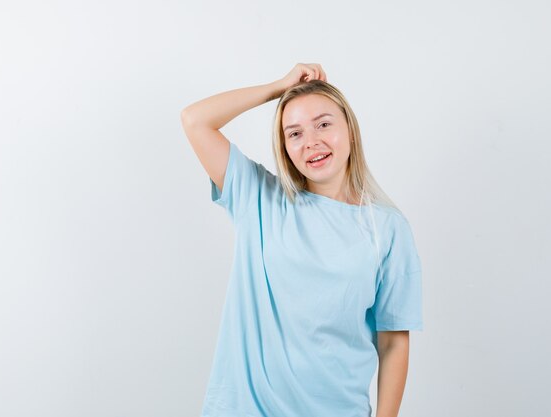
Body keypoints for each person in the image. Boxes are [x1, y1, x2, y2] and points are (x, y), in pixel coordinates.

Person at [180, 63, 423, 417]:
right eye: (294, 133)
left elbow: (393, 342)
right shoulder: (258, 198)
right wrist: (277, 88)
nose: (311, 142)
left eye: (323, 124)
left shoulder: (387, 228)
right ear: (285, 147)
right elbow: (194, 120)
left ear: (350, 131)